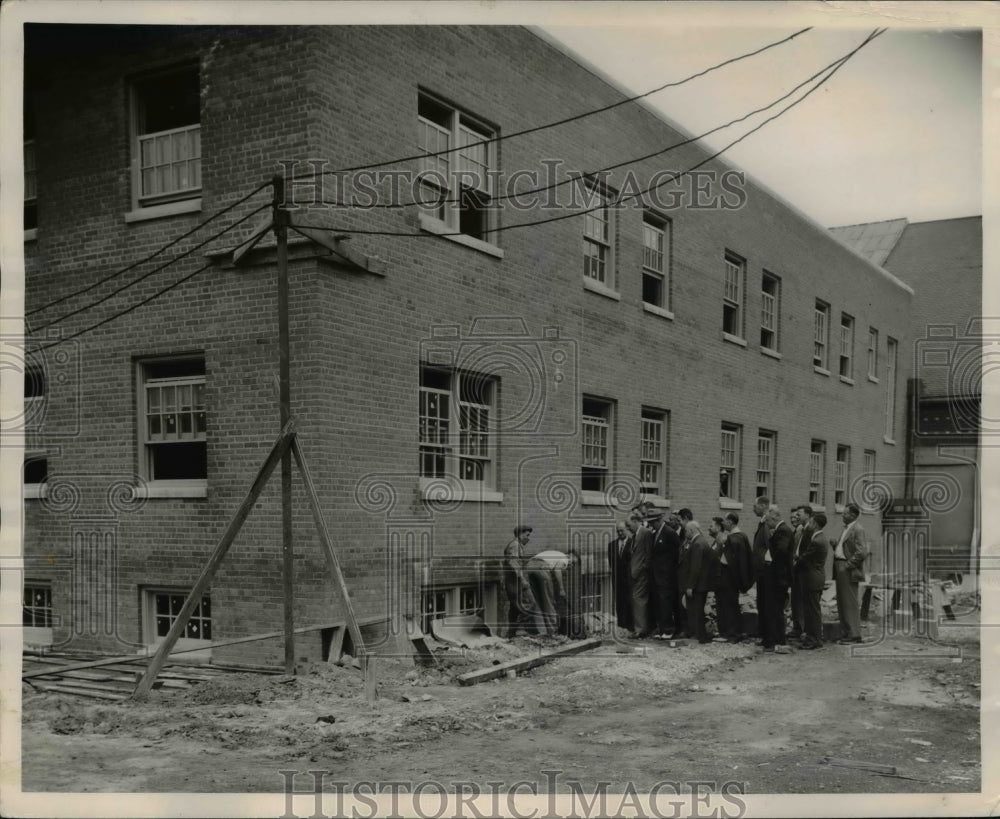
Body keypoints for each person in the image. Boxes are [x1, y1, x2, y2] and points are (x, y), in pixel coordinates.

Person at [754, 504, 793, 653]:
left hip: (778, 576)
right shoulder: (779, 530)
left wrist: (770, 559)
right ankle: (769, 638)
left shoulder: (782, 531)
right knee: (770, 608)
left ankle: (776, 639)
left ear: (776, 517)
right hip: (775, 575)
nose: (768, 523)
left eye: (769, 520)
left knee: (775, 609)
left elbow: (781, 551)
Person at [831, 503, 868, 644]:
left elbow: (862, 552)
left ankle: (854, 635)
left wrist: (847, 565)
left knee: (849, 602)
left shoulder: (858, 529)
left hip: (848, 569)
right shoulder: (847, 529)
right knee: (842, 602)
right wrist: (836, 545)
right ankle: (846, 633)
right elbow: (849, 548)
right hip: (841, 566)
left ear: (853, 515)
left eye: (845, 513)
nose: (843, 515)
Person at [503, 524, 547, 636]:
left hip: (515, 583)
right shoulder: (515, 546)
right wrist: (523, 580)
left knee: (515, 608)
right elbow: (514, 564)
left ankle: (511, 634)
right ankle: (521, 629)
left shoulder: (518, 546)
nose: (528, 538)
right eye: (527, 535)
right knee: (529, 604)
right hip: (516, 583)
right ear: (520, 534)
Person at [716, 512, 753, 642]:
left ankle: (733, 634)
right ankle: (727, 632)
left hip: (731, 576)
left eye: (725, 521)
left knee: (730, 605)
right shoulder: (734, 537)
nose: (723, 523)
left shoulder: (736, 538)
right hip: (727, 575)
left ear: (731, 522)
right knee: (726, 604)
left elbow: (739, 561)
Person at [794, 511, 829, 649]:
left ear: (815, 523)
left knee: (812, 611)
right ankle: (813, 638)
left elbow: (805, 558)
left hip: (812, 578)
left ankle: (814, 640)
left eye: (812, 521)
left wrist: (795, 564)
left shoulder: (817, 540)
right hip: (814, 577)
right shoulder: (818, 538)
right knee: (811, 610)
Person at [649, 509, 682, 638]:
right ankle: (662, 629)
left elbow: (677, 554)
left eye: (652, 522)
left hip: (667, 576)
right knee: (659, 602)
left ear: (659, 520)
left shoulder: (669, 533)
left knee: (666, 602)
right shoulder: (655, 533)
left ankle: (668, 629)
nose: (651, 525)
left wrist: (670, 572)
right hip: (657, 576)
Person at [683, 521, 717, 644]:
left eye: (686, 531)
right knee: (697, 610)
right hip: (701, 583)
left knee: (696, 610)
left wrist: (690, 586)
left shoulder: (697, 544)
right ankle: (700, 635)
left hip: (698, 585)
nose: (685, 533)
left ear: (691, 531)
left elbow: (695, 567)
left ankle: (700, 636)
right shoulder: (702, 541)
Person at [788, 504, 814, 641]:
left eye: (798, 515)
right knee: (795, 599)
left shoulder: (806, 531)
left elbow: (805, 552)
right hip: (796, 568)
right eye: (792, 517)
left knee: (802, 600)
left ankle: (803, 628)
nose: (794, 519)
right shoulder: (798, 530)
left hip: (803, 569)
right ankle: (797, 627)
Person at [628, 512, 654, 638]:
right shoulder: (635, 535)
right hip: (635, 573)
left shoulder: (645, 533)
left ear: (635, 521)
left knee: (638, 599)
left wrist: (643, 569)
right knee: (636, 600)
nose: (629, 528)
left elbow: (649, 554)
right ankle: (639, 627)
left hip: (642, 573)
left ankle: (641, 629)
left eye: (629, 525)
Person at [608, 521, 633, 633]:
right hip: (617, 579)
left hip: (629, 579)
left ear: (626, 530)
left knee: (629, 601)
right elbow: (611, 563)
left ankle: (630, 625)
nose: (620, 532)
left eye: (622, 530)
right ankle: (621, 624)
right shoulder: (612, 545)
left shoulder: (632, 543)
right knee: (619, 601)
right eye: (618, 531)